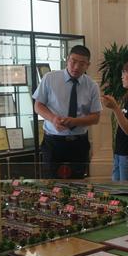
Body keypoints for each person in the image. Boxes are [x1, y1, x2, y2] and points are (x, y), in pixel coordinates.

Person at [33, 45, 102, 179]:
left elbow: (96, 117)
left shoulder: (92, 85)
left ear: (88, 65)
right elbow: (38, 106)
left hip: (78, 143)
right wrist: (53, 119)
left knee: (77, 183)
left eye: (81, 64)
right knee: (51, 183)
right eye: (73, 61)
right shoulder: (50, 78)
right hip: (53, 142)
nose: (76, 67)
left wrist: (76, 121)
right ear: (67, 60)